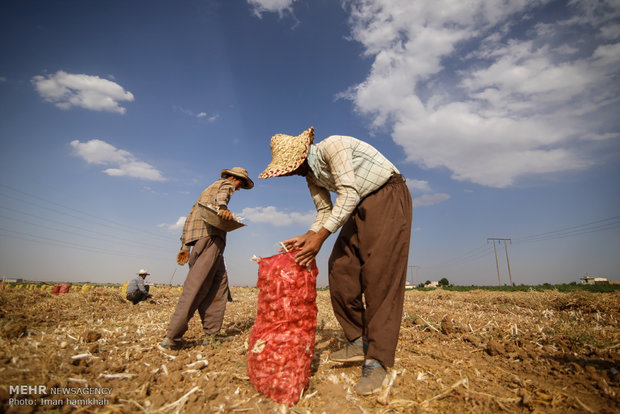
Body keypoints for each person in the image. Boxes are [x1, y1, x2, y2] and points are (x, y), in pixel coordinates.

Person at [259, 127, 412, 395]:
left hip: (386, 195)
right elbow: (324, 211)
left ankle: (377, 359)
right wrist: (308, 235)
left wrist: (320, 238)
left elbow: (349, 194)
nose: (291, 173)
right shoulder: (311, 176)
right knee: (340, 270)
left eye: (291, 167)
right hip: (356, 206)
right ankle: (357, 338)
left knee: (379, 277)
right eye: (287, 170)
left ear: (301, 154)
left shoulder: (333, 146)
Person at [159, 167, 253, 350]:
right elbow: (224, 195)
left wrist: (184, 247)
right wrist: (224, 207)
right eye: (240, 183)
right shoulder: (226, 184)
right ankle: (172, 338)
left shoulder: (203, 195)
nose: (239, 188)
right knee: (196, 287)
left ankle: (211, 335)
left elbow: (188, 220)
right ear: (234, 178)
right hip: (211, 240)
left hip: (202, 242)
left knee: (219, 286)